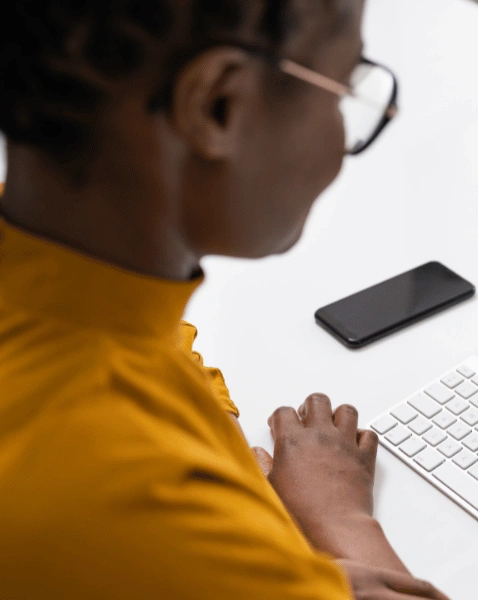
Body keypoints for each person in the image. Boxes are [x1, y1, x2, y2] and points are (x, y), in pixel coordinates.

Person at [0, 1, 448, 598]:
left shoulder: (63, 256)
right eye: (341, 92)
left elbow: (163, 346)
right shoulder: (148, 501)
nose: (342, 142)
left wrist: (244, 488)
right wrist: (338, 520)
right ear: (218, 106)